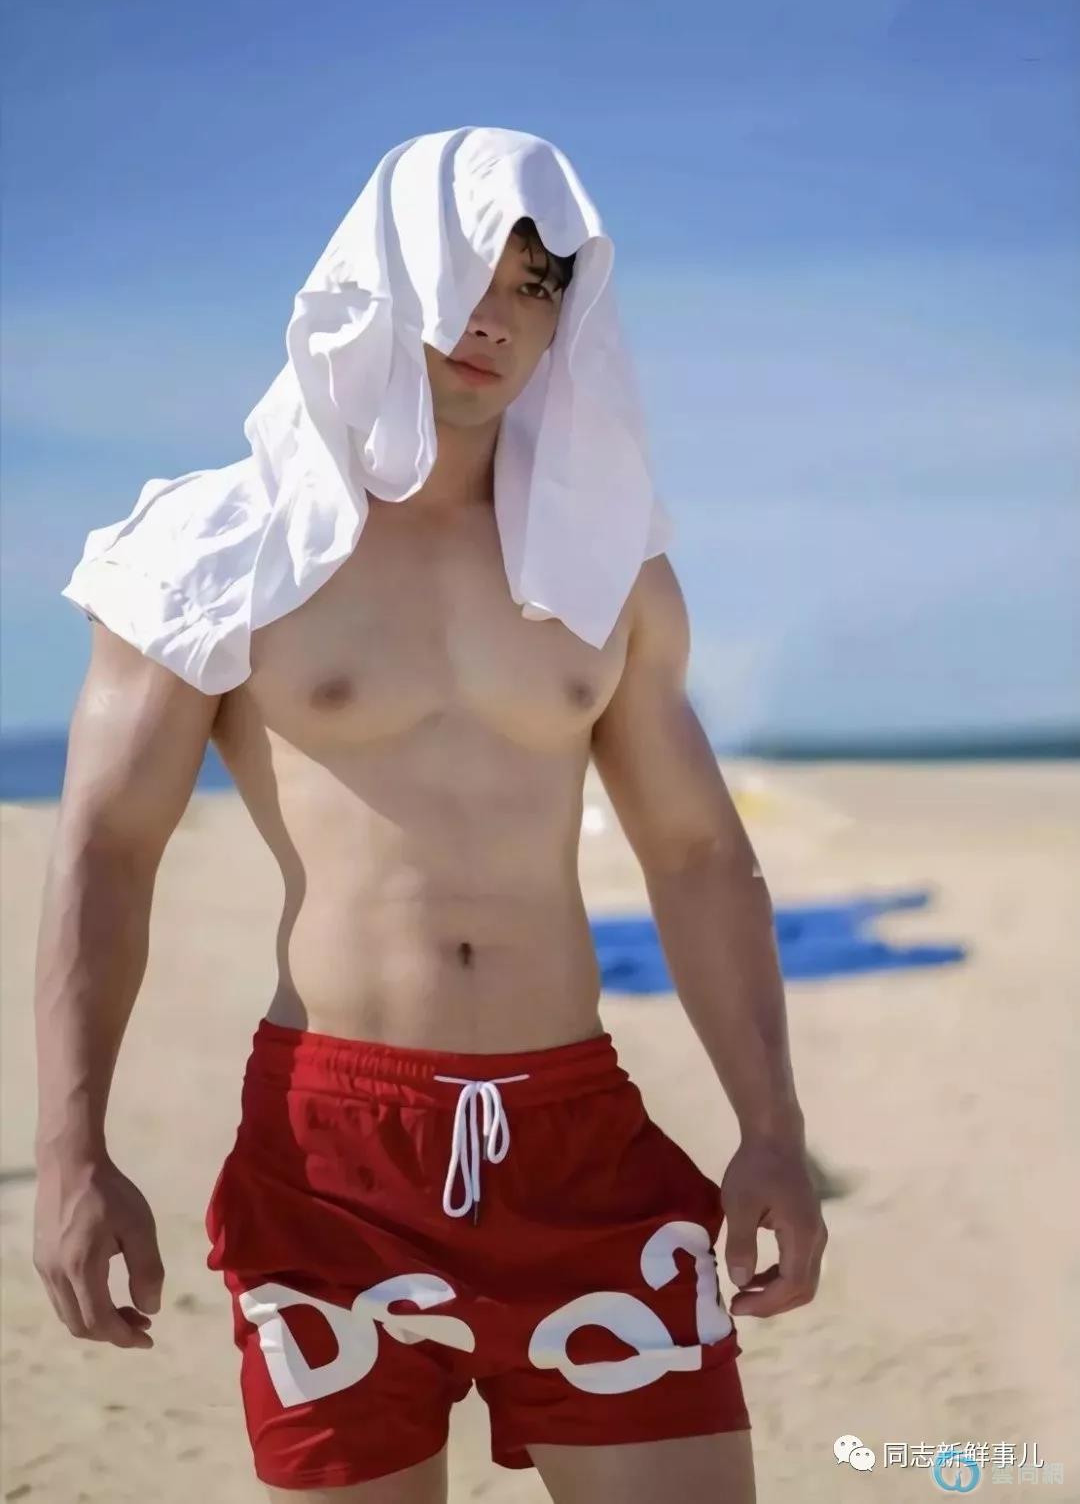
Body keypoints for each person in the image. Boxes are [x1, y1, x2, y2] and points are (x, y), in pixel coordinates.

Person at [32, 128, 826, 1503]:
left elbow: (698, 852)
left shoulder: (601, 563)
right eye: (467, 273)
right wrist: (71, 1152)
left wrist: (771, 1127)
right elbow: (108, 850)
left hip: (579, 1137)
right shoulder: (225, 549)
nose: (494, 318)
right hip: (333, 1158)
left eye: (535, 287)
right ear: (379, 277)